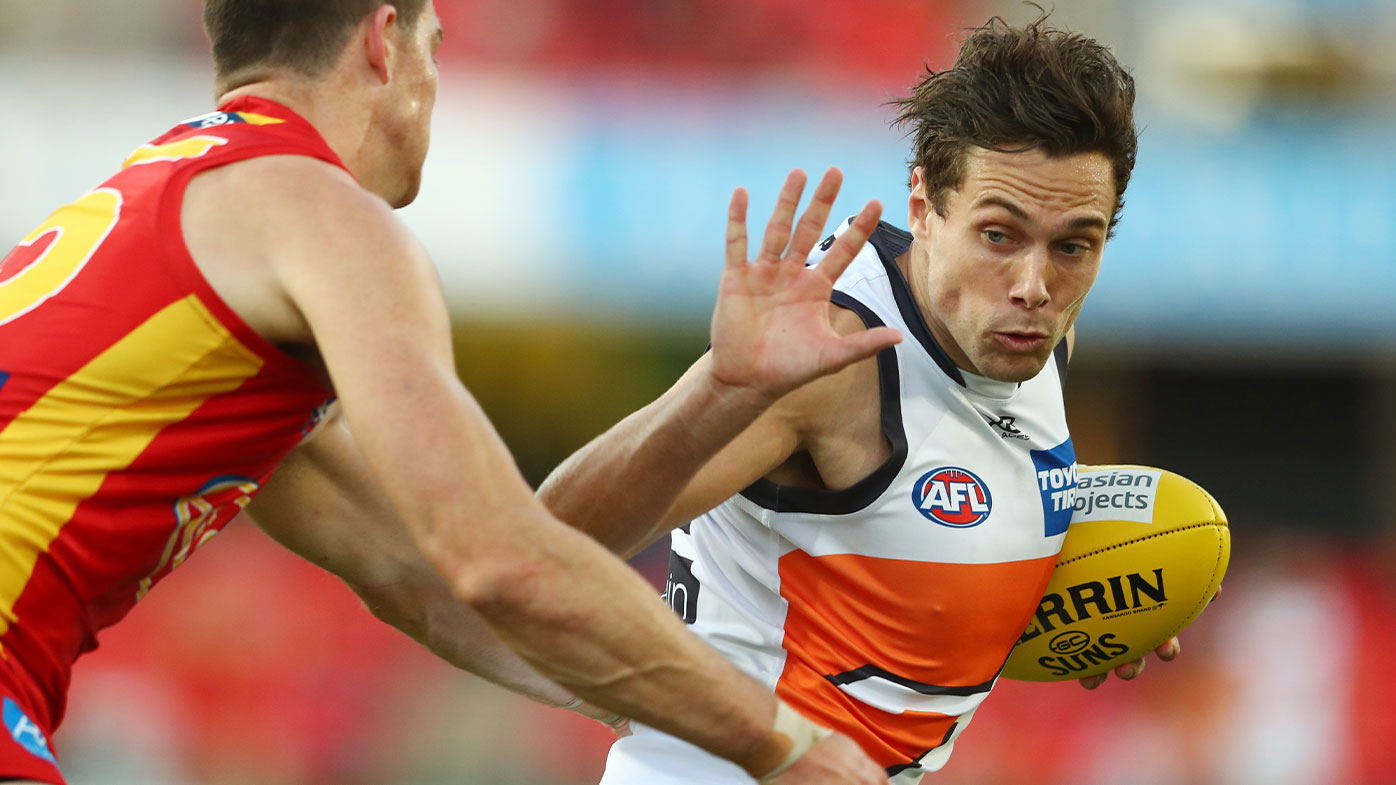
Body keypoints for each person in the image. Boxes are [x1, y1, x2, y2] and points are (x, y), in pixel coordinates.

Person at [0, 2, 902, 783]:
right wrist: (778, 740)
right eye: (437, 43)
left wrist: (677, 713)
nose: (436, 79)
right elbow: (496, 554)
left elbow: (417, 577)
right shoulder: (322, 213)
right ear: (385, 44)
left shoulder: (176, 206)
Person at [539, 14, 1182, 785]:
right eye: (999, 236)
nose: (1034, 286)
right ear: (923, 207)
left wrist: (1091, 600)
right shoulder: (830, 356)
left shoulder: (1033, 342)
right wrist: (720, 390)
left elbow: (920, 533)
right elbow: (541, 544)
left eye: (1074, 245)